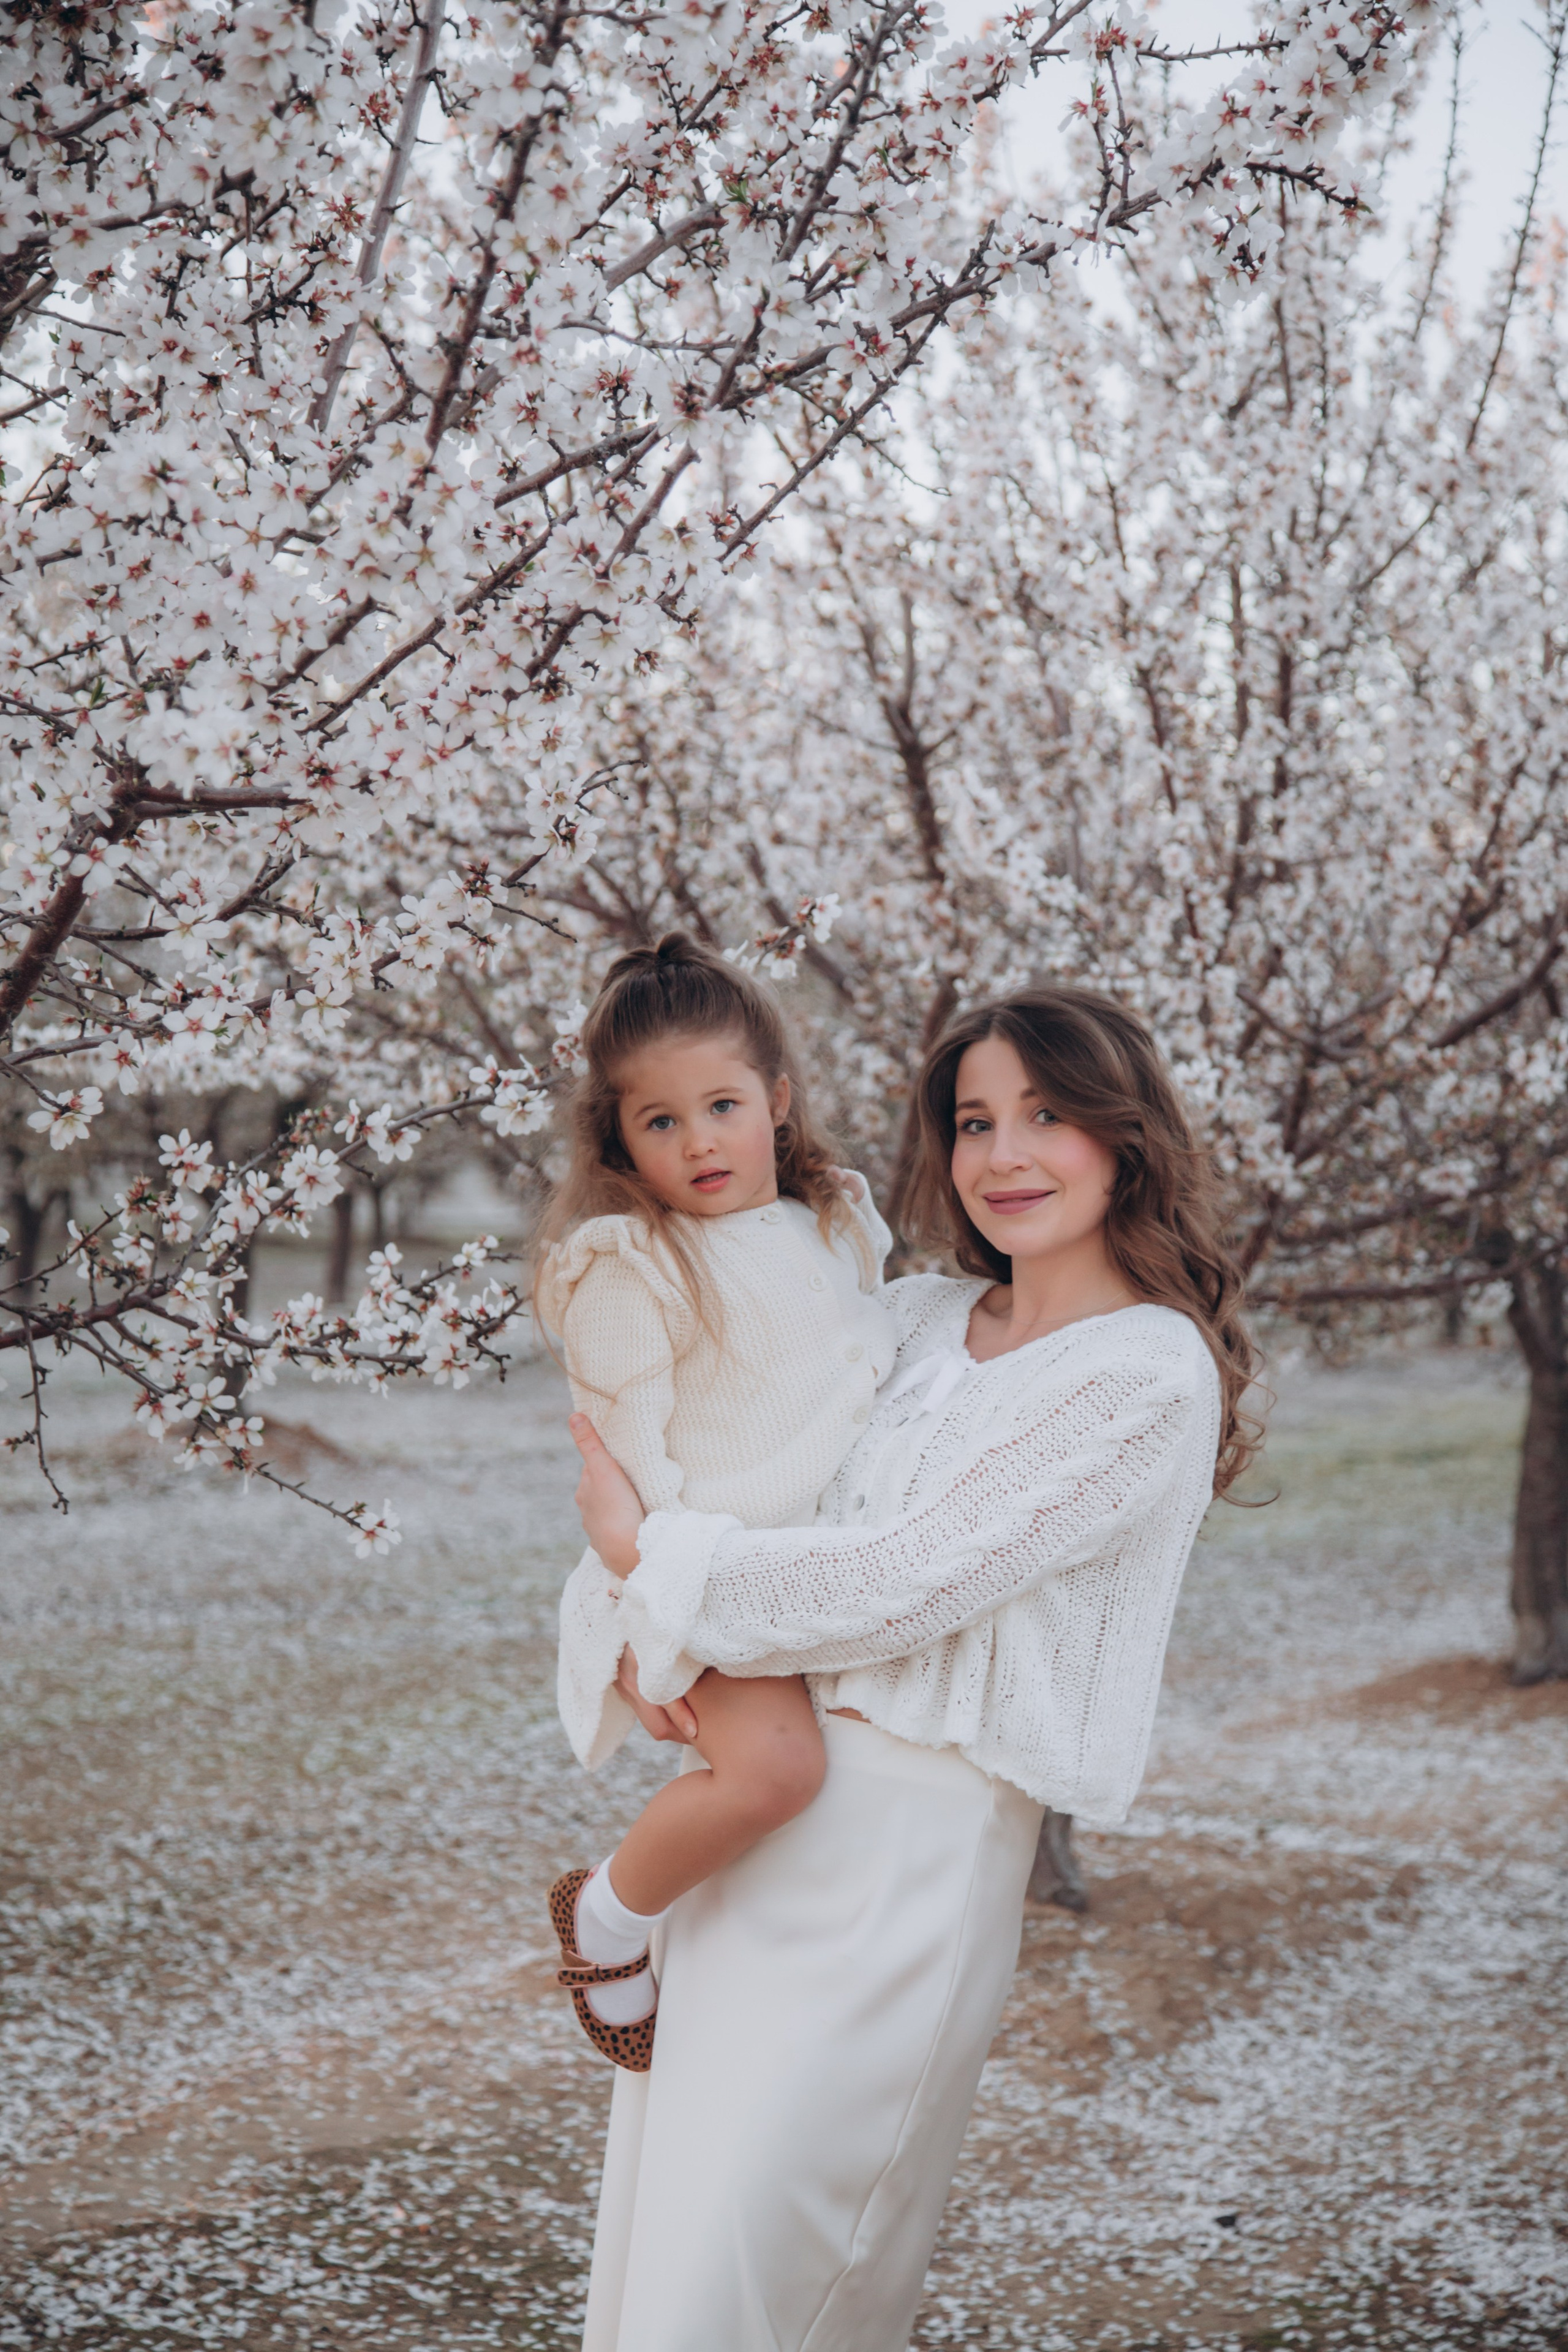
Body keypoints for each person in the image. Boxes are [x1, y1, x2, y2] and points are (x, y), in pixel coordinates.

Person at [566, 982, 1262, 2352]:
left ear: (1123, 1134)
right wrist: (643, 1620)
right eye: (975, 1121)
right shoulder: (911, 1315)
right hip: (755, 1821)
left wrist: (655, 1566)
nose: (1004, 1155)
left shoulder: (1146, 1373)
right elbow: (727, 1461)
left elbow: (904, 1581)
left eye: (1047, 1116)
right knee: (669, 2252)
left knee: (767, 2282)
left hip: (911, 1861)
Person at [534, 932, 895, 2069]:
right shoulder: (634, 1263)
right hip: (694, 1571)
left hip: (813, 1571)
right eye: (661, 1121)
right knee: (778, 1771)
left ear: (777, 1103)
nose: (698, 1142)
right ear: (619, 1140)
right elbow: (628, 1465)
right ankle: (607, 1917)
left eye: (723, 1106)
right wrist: (665, 1622)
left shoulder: (832, 1220)